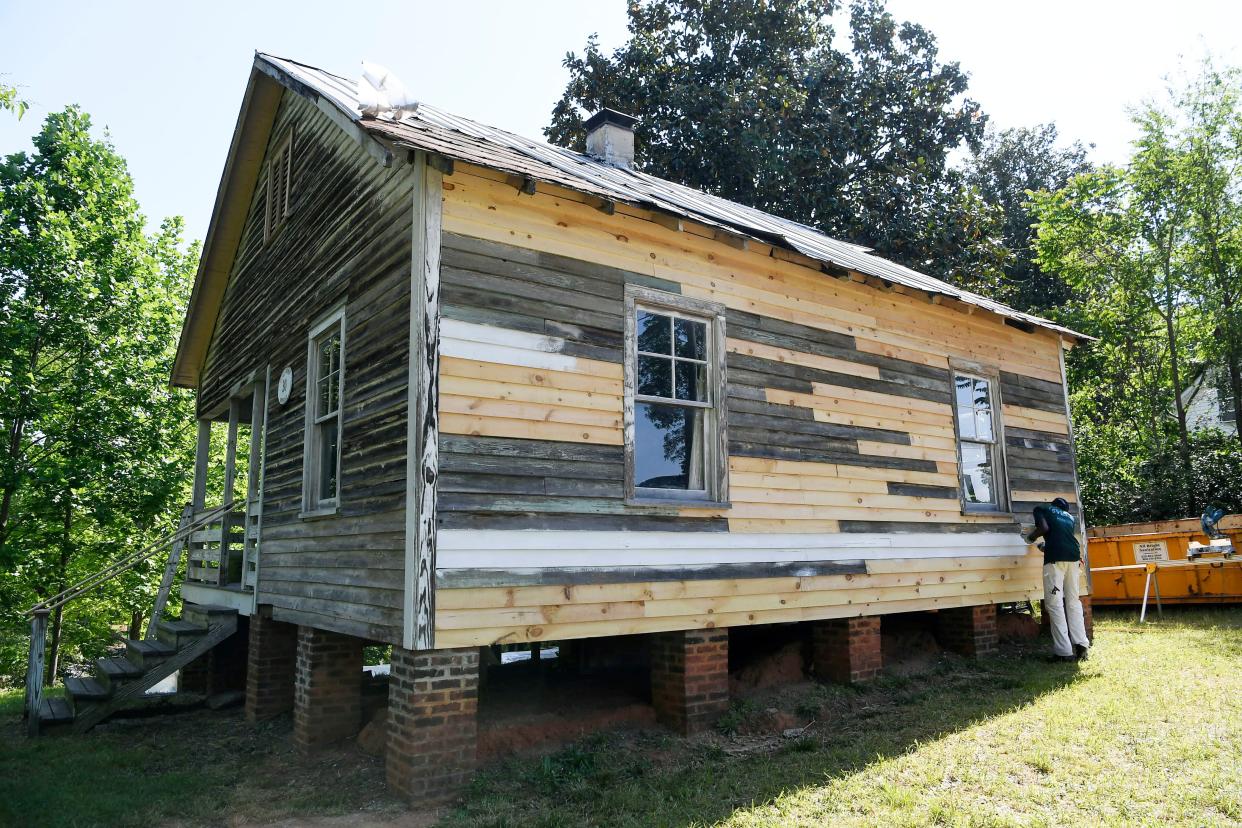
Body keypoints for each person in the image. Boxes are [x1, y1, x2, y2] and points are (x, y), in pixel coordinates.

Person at [1025, 497, 1090, 662]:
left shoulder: (1042, 508)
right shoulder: (1069, 517)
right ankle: (1082, 646)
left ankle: (1063, 652)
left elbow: (1044, 527)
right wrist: (1043, 547)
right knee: (1073, 601)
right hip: (1074, 558)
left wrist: (1030, 538)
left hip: (1055, 562)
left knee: (1055, 604)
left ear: (1053, 505)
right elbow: (1060, 539)